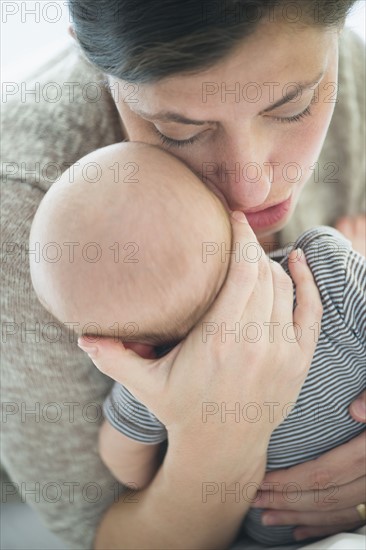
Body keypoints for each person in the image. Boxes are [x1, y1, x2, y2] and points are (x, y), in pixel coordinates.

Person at [1, 0, 365, 548]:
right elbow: (105, 533)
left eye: (293, 108)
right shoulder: (27, 216)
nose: (251, 188)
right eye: (177, 129)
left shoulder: (348, 66)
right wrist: (220, 438)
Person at [29, 140, 365, 547]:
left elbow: (127, 469)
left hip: (285, 532)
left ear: (127, 348)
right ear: (232, 216)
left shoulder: (157, 385)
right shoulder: (326, 270)